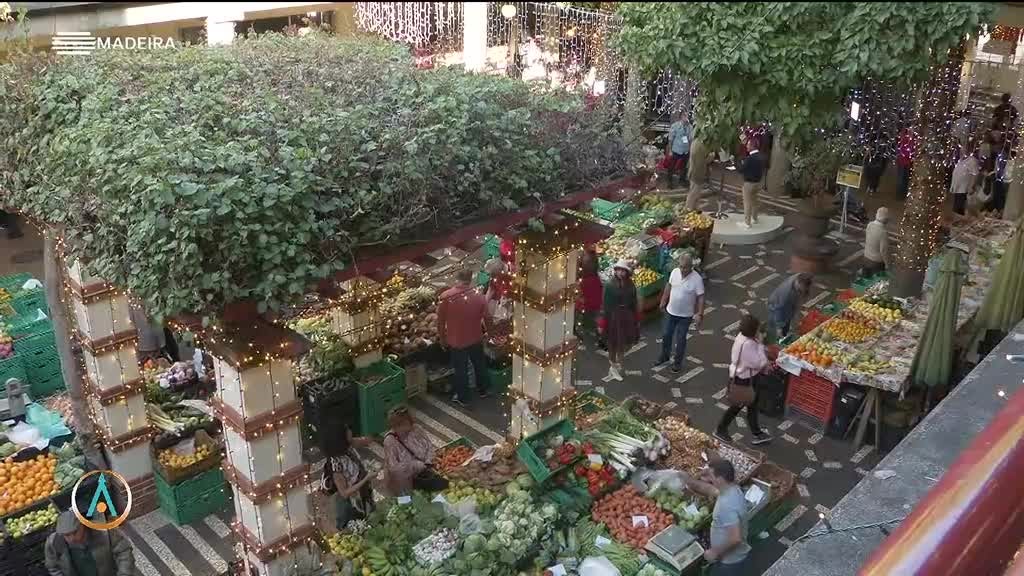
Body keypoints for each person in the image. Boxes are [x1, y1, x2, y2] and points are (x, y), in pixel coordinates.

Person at [683, 458, 752, 575]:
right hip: (732, 557)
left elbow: (735, 538)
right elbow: (709, 489)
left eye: (711, 476)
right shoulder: (733, 489)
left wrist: (714, 552)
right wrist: (689, 479)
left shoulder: (727, 505)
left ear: (720, 479)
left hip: (729, 562)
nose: (709, 479)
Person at [436, 269, 490, 407]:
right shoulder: (479, 296)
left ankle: (463, 398)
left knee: (461, 370)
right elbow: (487, 318)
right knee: (479, 365)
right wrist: (489, 332)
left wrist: (442, 339)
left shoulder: (446, 297)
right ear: (471, 278)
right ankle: (483, 390)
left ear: (456, 278)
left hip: (456, 341)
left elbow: (440, 322)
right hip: (476, 338)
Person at [715, 314, 772, 445]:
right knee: (738, 406)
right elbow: (758, 363)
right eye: (757, 329)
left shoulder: (742, 337)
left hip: (744, 377)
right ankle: (721, 429)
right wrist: (761, 345)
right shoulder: (748, 345)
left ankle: (757, 432)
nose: (759, 331)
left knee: (752, 405)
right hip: (744, 380)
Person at [45, 511, 136, 576]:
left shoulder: (104, 532)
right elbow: (53, 567)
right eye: (67, 535)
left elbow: (124, 552)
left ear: (83, 525)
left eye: (75, 532)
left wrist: (124, 573)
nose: (72, 538)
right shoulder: (54, 543)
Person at [656, 253, 705, 374]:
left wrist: (699, 314)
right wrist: (663, 300)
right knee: (666, 335)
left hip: (685, 316)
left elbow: (701, 297)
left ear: (691, 267)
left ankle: (677, 363)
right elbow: (669, 286)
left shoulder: (697, 279)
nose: (683, 270)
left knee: (681, 339)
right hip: (671, 311)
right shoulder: (675, 272)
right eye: (681, 267)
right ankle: (664, 356)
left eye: (685, 267)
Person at [383, 406, 447, 495]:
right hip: (406, 482)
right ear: (396, 426)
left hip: (424, 473)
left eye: (410, 423)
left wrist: (429, 460)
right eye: (404, 425)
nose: (409, 428)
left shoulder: (416, 429)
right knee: (411, 501)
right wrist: (414, 466)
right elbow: (394, 468)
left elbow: (429, 446)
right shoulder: (390, 441)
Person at [322, 424, 374, 531]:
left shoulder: (348, 445)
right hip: (351, 504)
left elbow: (364, 440)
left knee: (369, 521)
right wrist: (366, 479)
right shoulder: (335, 463)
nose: (352, 437)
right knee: (357, 531)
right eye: (348, 435)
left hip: (363, 493)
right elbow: (344, 493)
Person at [601, 260, 639, 382]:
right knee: (613, 343)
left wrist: (635, 318)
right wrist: (603, 322)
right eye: (619, 270)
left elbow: (634, 302)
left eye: (623, 270)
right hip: (613, 317)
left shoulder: (630, 285)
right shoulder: (609, 285)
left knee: (624, 343)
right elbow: (605, 305)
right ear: (615, 270)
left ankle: (618, 364)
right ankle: (613, 366)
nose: (621, 273)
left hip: (627, 316)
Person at [767, 273, 813, 342]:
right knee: (779, 329)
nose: (805, 290)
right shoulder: (786, 295)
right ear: (800, 284)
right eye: (804, 288)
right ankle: (776, 340)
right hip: (776, 308)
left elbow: (802, 294)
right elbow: (779, 310)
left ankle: (782, 335)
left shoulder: (799, 277)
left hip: (787, 306)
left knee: (787, 322)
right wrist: (779, 327)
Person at [576, 248, 603, 342]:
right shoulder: (596, 278)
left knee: (583, 316)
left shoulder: (584, 281)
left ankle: (580, 332)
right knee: (595, 317)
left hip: (586, 305)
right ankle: (597, 332)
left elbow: (579, 294)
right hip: (596, 303)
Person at [739, 137, 764, 228]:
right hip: (757, 183)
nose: (746, 146)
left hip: (749, 184)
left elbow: (741, 170)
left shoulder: (749, 158)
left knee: (747, 203)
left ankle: (747, 223)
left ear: (752, 146)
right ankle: (755, 219)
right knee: (754, 202)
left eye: (748, 144)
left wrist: (736, 162)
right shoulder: (761, 156)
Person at [950, 150, 981, 216]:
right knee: (955, 210)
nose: (962, 151)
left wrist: (971, 186)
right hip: (957, 189)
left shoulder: (972, 160)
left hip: (963, 190)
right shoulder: (960, 161)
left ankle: (962, 223)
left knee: (960, 210)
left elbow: (975, 174)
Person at [667, 113, 693, 188]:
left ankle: (682, 180)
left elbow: (690, 139)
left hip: (686, 150)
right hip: (676, 149)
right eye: (685, 116)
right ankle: (669, 181)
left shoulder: (690, 127)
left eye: (688, 116)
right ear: (681, 117)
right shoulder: (675, 126)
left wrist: (690, 149)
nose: (687, 117)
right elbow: (670, 139)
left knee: (684, 167)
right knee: (672, 166)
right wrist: (670, 150)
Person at [862, 207, 890, 277]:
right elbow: (883, 250)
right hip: (876, 262)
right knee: (875, 285)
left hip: (866, 257)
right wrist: (887, 264)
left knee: (865, 280)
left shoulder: (869, 225)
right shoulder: (883, 232)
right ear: (885, 220)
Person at [897, 126, 916, 198]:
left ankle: (903, 193)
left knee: (905, 179)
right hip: (903, 162)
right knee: (902, 179)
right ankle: (900, 194)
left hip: (907, 162)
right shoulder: (905, 139)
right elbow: (903, 150)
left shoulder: (911, 140)